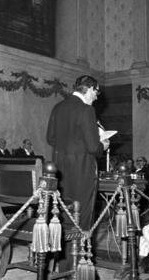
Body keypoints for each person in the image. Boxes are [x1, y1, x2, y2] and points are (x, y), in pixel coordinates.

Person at [47, 75, 109, 230]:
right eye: (96, 92)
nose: (96, 97)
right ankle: (81, 252)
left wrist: (71, 144)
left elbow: (51, 138)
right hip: (82, 171)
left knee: (62, 214)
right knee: (82, 217)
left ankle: (65, 252)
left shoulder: (58, 107)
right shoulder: (86, 109)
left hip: (59, 169)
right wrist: (103, 144)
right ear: (88, 89)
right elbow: (93, 148)